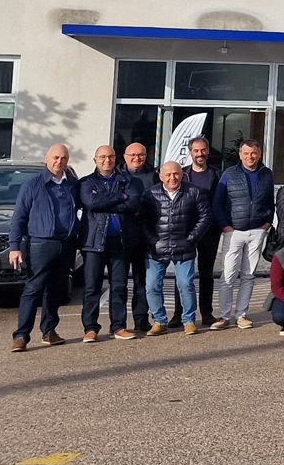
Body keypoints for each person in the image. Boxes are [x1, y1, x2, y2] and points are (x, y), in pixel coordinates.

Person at [7, 143, 79, 351]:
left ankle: (49, 331)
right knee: (33, 288)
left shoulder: (72, 185)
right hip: (40, 244)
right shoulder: (32, 185)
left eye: (64, 158)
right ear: (46, 158)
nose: (59, 161)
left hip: (65, 244)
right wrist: (14, 246)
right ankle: (21, 336)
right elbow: (19, 218)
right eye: (55, 157)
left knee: (56, 290)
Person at [210, 138, 275, 331]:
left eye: (253, 153)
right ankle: (223, 316)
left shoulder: (267, 174)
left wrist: (267, 223)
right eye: (246, 153)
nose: (250, 157)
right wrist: (225, 226)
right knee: (228, 275)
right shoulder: (229, 174)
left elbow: (270, 201)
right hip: (234, 231)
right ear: (240, 155)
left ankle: (242, 315)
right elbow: (217, 203)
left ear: (259, 154)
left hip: (257, 231)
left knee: (248, 275)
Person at [77, 144, 141, 342]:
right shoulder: (86, 182)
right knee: (91, 287)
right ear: (95, 160)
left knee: (119, 286)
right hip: (93, 242)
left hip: (120, 242)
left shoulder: (130, 181)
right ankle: (90, 328)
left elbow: (132, 203)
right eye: (102, 157)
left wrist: (104, 199)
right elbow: (90, 202)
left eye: (111, 157)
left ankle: (119, 326)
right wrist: (118, 196)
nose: (107, 160)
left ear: (116, 159)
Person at [144, 159, 210, 335]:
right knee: (152, 285)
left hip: (184, 247)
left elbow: (205, 216)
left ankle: (188, 320)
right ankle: (159, 321)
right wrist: (151, 240)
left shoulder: (194, 192)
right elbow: (142, 220)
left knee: (186, 284)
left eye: (176, 174)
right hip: (157, 248)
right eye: (168, 174)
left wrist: (191, 239)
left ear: (182, 174)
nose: (173, 178)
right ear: (161, 177)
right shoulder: (150, 194)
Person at [115, 142, 155, 339]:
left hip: (145, 235)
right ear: (125, 156)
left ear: (146, 156)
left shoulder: (153, 175)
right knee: (120, 282)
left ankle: (141, 319)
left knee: (142, 281)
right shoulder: (116, 175)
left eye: (140, 155)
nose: (136, 158)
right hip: (122, 236)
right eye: (132, 155)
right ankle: (119, 323)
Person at [180, 135, 221, 327]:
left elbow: (222, 202)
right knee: (183, 274)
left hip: (210, 231)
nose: (200, 154)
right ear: (190, 153)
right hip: (185, 230)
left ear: (208, 151)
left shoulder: (217, 175)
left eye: (203, 150)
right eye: (196, 150)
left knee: (206, 274)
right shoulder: (182, 175)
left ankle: (206, 313)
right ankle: (179, 314)